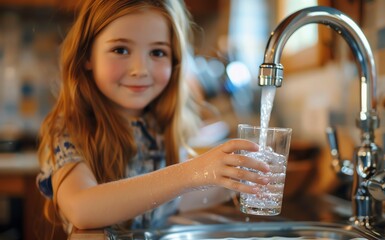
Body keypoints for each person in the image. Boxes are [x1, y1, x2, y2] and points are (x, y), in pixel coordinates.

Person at [36, 0, 269, 234]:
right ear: (87, 55)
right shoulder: (69, 129)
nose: (141, 69)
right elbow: (82, 208)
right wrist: (193, 171)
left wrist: (235, 181)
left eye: (158, 52)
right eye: (121, 50)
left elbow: (171, 201)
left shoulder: (159, 128)